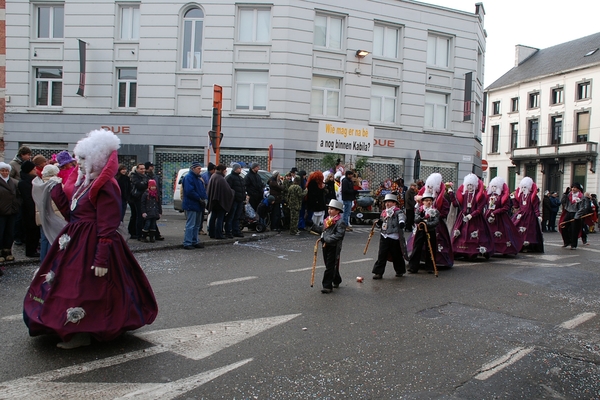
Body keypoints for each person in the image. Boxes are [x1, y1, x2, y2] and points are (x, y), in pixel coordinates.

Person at [23, 129, 158, 349]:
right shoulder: (83, 185)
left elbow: (108, 223)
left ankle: (83, 331)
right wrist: (57, 189)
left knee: (86, 287)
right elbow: (72, 215)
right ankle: (70, 325)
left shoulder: (106, 185)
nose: (78, 163)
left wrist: (101, 258)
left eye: (83, 159)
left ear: (97, 160)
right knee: (69, 284)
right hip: (75, 241)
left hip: (94, 243)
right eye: (78, 158)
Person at [408, 173, 454, 268]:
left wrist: (435, 216)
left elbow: (444, 212)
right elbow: (417, 211)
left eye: (431, 187)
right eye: (428, 186)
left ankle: (431, 264)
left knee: (432, 246)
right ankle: (415, 263)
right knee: (418, 244)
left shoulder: (442, 199)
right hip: (422, 225)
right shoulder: (423, 198)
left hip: (435, 226)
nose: (429, 188)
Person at [449, 173, 494, 260]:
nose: (469, 187)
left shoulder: (480, 196)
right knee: (460, 234)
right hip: (463, 218)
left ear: (475, 185)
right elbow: (456, 204)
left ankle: (473, 252)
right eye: (468, 185)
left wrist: (471, 215)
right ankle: (460, 251)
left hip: (476, 219)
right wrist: (451, 194)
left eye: (471, 185)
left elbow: (479, 209)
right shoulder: (464, 194)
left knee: (475, 235)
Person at [32, 164, 67, 262]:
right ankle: (51, 263)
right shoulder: (57, 184)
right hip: (55, 216)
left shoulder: (38, 184)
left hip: (42, 215)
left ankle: (43, 263)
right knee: (54, 239)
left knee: (44, 239)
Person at [484, 176, 523, 256]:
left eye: (496, 186)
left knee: (503, 233)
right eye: (492, 186)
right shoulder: (489, 196)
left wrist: (496, 212)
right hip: (488, 217)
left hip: (500, 218)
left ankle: (502, 249)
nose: (494, 188)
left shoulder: (503, 196)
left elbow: (506, 208)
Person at [372, 193, 407, 279]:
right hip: (384, 236)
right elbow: (381, 222)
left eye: (390, 202)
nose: (387, 204)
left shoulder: (398, 211)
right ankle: (378, 272)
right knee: (381, 255)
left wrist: (401, 222)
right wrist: (379, 223)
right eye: (386, 202)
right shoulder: (384, 212)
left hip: (394, 237)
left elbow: (402, 217)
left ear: (395, 203)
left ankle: (400, 270)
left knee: (396, 255)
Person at [316, 199, 346, 293]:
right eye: (329, 208)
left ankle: (327, 286)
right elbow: (324, 230)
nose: (329, 211)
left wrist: (327, 239)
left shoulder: (340, 222)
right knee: (329, 264)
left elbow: (339, 235)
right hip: (325, 245)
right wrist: (314, 227)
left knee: (330, 265)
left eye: (332, 209)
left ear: (338, 211)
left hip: (334, 246)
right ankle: (336, 279)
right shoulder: (327, 220)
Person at [408, 191, 439, 274]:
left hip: (430, 231)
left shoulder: (435, 211)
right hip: (420, 231)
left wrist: (427, 224)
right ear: (423, 202)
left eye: (430, 200)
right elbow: (415, 219)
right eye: (426, 200)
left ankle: (430, 267)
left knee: (430, 248)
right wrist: (421, 217)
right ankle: (413, 267)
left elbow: (436, 222)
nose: (428, 202)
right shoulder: (419, 209)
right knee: (417, 248)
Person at [511, 177, 544, 252]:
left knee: (529, 232)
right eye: (522, 187)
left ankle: (528, 246)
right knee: (516, 228)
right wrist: (513, 199)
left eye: (525, 187)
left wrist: (538, 215)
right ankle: (519, 244)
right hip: (521, 214)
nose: (523, 189)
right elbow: (517, 206)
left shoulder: (533, 197)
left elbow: (535, 207)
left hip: (530, 216)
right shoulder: (520, 195)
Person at [18, 160, 41, 258]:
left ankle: (34, 249)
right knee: (30, 232)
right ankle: (30, 251)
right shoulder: (23, 183)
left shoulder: (33, 180)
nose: (36, 170)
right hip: (28, 211)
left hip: (34, 208)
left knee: (35, 232)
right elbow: (27, 199)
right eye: (34, 169)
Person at [182, 161, 207, 249]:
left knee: (196, 225)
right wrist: (199, 198)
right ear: (193, 168)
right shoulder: (189, 177)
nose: (200, 170)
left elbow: (202, 190)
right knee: (191, 224)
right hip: (191, 204)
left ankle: (194, 241)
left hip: (198, 204)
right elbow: (189, 191)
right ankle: (187, 242)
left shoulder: (197, 178)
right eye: (198, 168)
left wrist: (204, 198)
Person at [0, 162, 20, 263]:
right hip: (1, 212)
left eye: (6, 170)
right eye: (2, 170)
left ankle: (7, 251)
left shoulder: (13, 182)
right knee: (0, 232)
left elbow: (18, 195)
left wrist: (17, 205)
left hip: (12, 211)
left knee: (9, 232)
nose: (5, 172)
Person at [207, 164, 234, 239]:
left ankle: (211, 233)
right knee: (220, 218)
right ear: (222, 170)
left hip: (214, 201)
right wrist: (233, 192)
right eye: (225, 170)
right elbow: (227, 191)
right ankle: (219, 234)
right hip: (220, 202)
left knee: (213, 217)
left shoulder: (214, 176)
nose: (225, 172)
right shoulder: (220, 178)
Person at [559, 184, 585, 249]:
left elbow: (582, 208)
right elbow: (562, 202)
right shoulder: (569, 195)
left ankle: (573, 245)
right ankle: (567, 241)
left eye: (575, 188)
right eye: (572, 187)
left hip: (576, 213)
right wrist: (564, 194)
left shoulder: (581, 196)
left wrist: (577, 216)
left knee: (574, 230)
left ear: (578, 189)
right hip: (568, 212)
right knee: (563, 226)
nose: (573, 189)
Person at [225, 163, 245, 238]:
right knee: (231, 216)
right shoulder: (230, 178)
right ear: (235, 169)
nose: (240, 169)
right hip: (234, 200)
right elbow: (228, 190)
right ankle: (228, 231)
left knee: (237, 216)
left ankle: (236, 230)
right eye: (239, 168)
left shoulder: (240, 178)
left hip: (240, 200)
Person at [129, 163, 149, 240]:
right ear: (137, 169)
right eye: (141, 169)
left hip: (142, 197)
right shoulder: (134, 176)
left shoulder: (145, 176)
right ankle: (138, 234)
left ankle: (136, 232)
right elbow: (139, 185)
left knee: (138, 216)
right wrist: (145, 184)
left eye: (144, 168)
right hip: (136, 198)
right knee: (138, 216)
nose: (143, 170)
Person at [199, 162, 216, 235]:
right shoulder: (206, 176)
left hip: (207, 197)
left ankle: (202, 228)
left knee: (204, 214)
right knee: (203, 214)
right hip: (206, 197)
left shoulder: (205, 175)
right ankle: (201, 228)